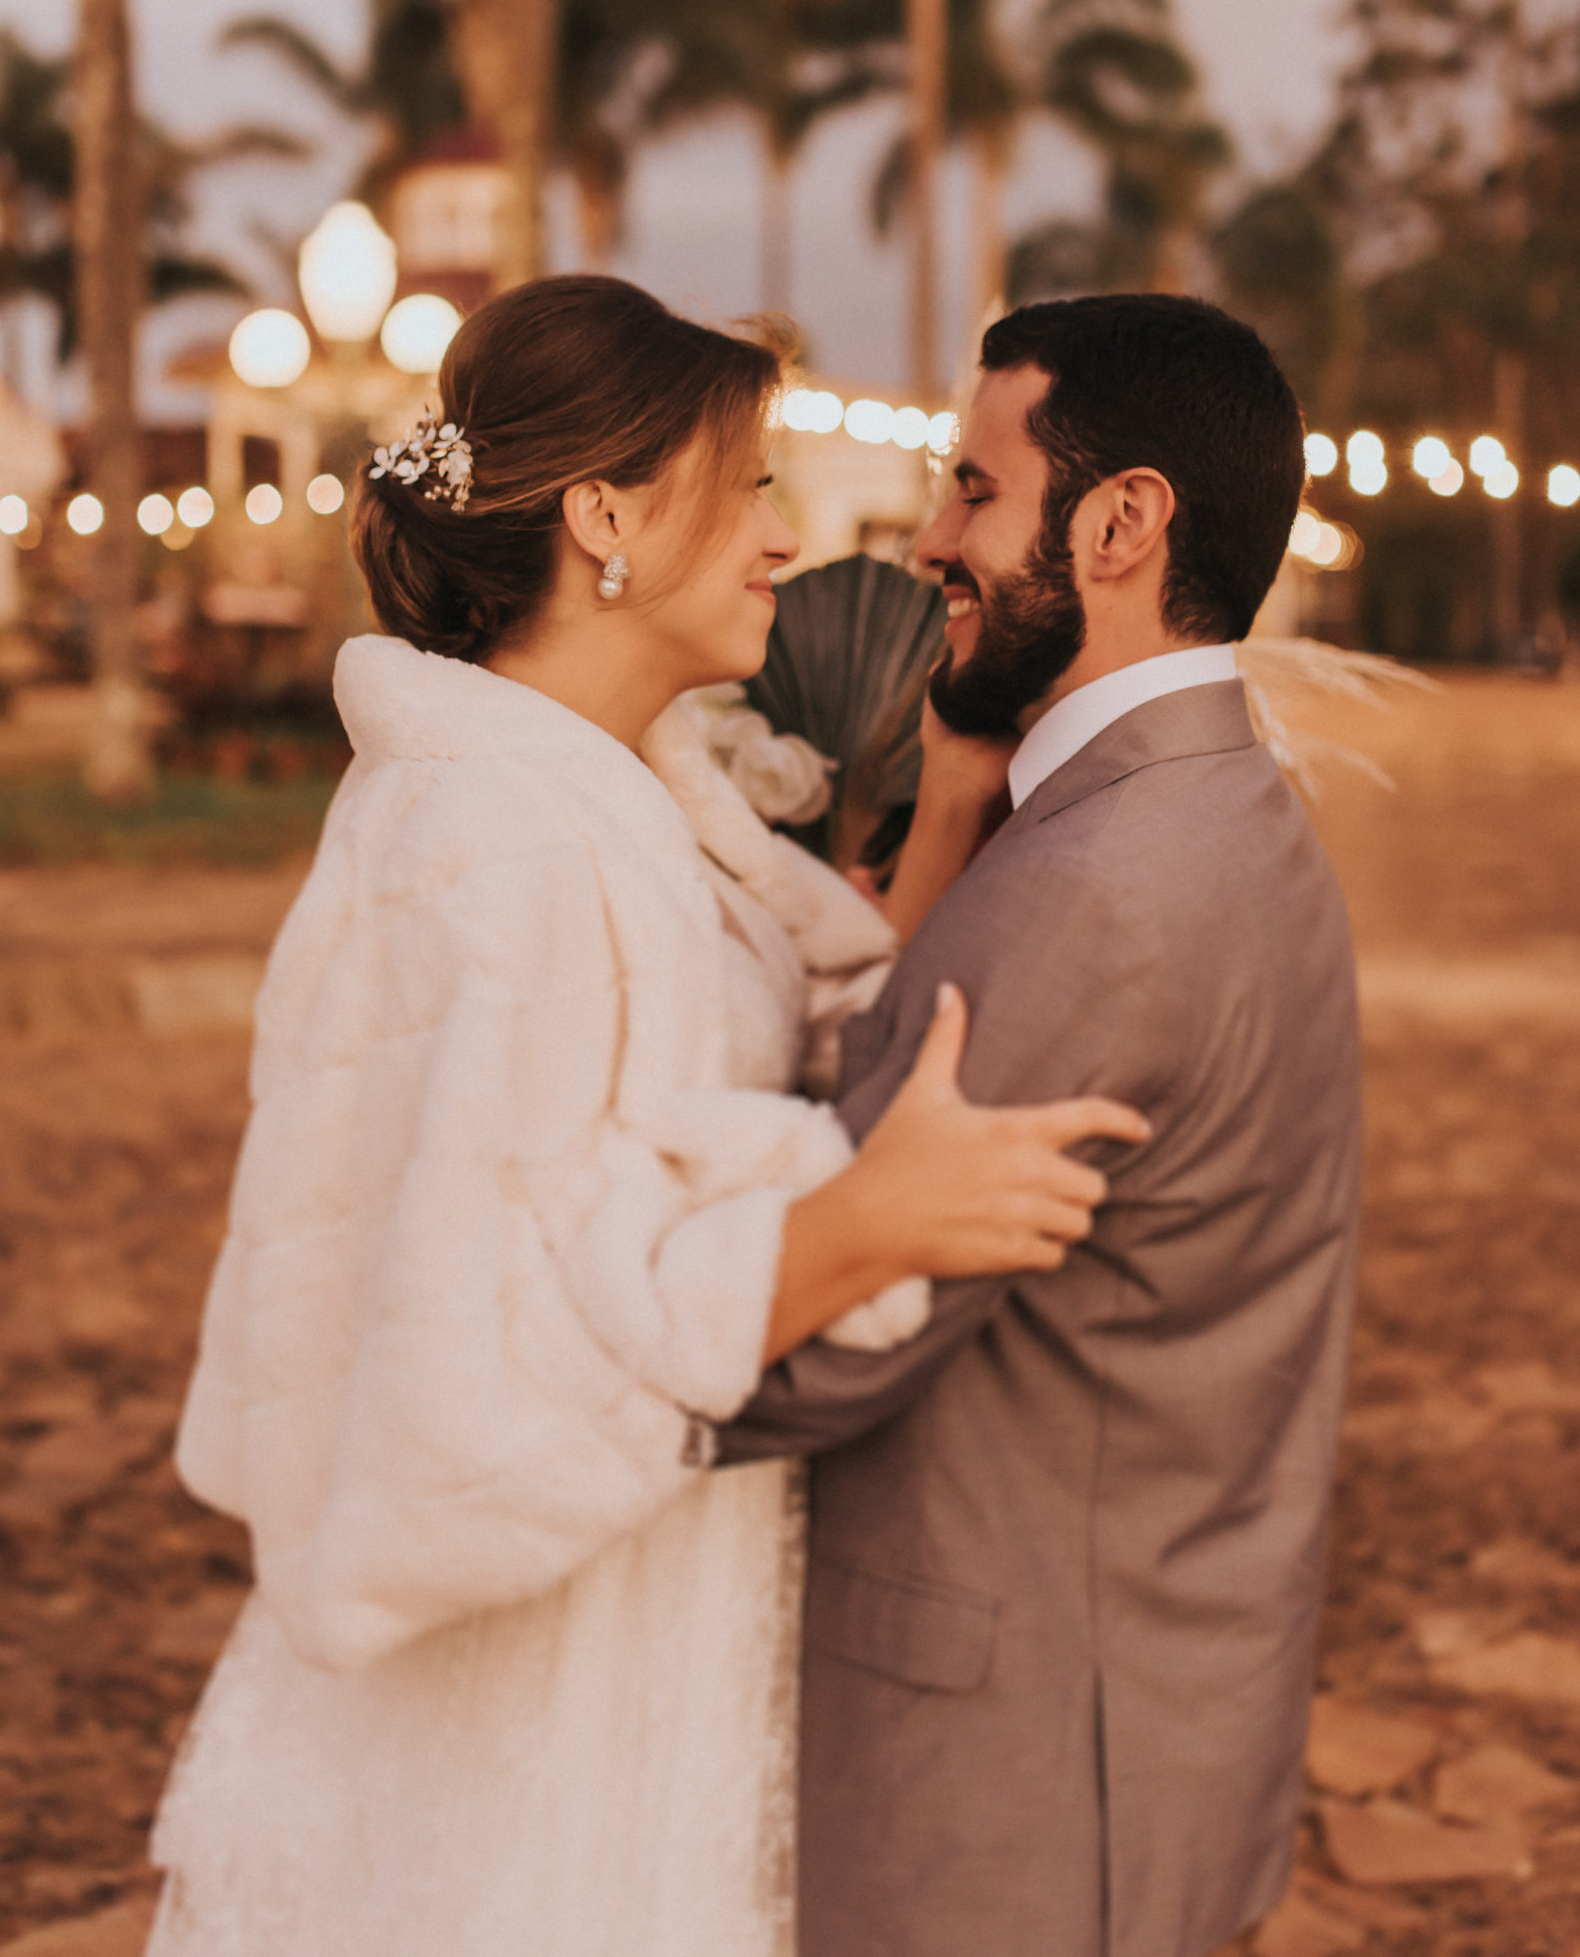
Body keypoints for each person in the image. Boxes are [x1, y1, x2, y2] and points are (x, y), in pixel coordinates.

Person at [145, 275, 1145, 1957]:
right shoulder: (501, 844)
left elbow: (808, 1014)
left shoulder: (614, 794)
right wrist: (852, 1233)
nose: (782, 535)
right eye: (748, 481)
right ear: (606, 513)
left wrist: (959, 781)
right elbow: (473, 1355)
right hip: (520, 1696)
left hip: (629, 1600)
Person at [720, 293, 1364, 1957]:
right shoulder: (1215, 813)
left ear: (1121, 521)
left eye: (971, 492)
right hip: (1146, 1705)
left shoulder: (1095, 896)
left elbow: (824, 1343)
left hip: (1010, 1779)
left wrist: (531, 1320)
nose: (930, 540)